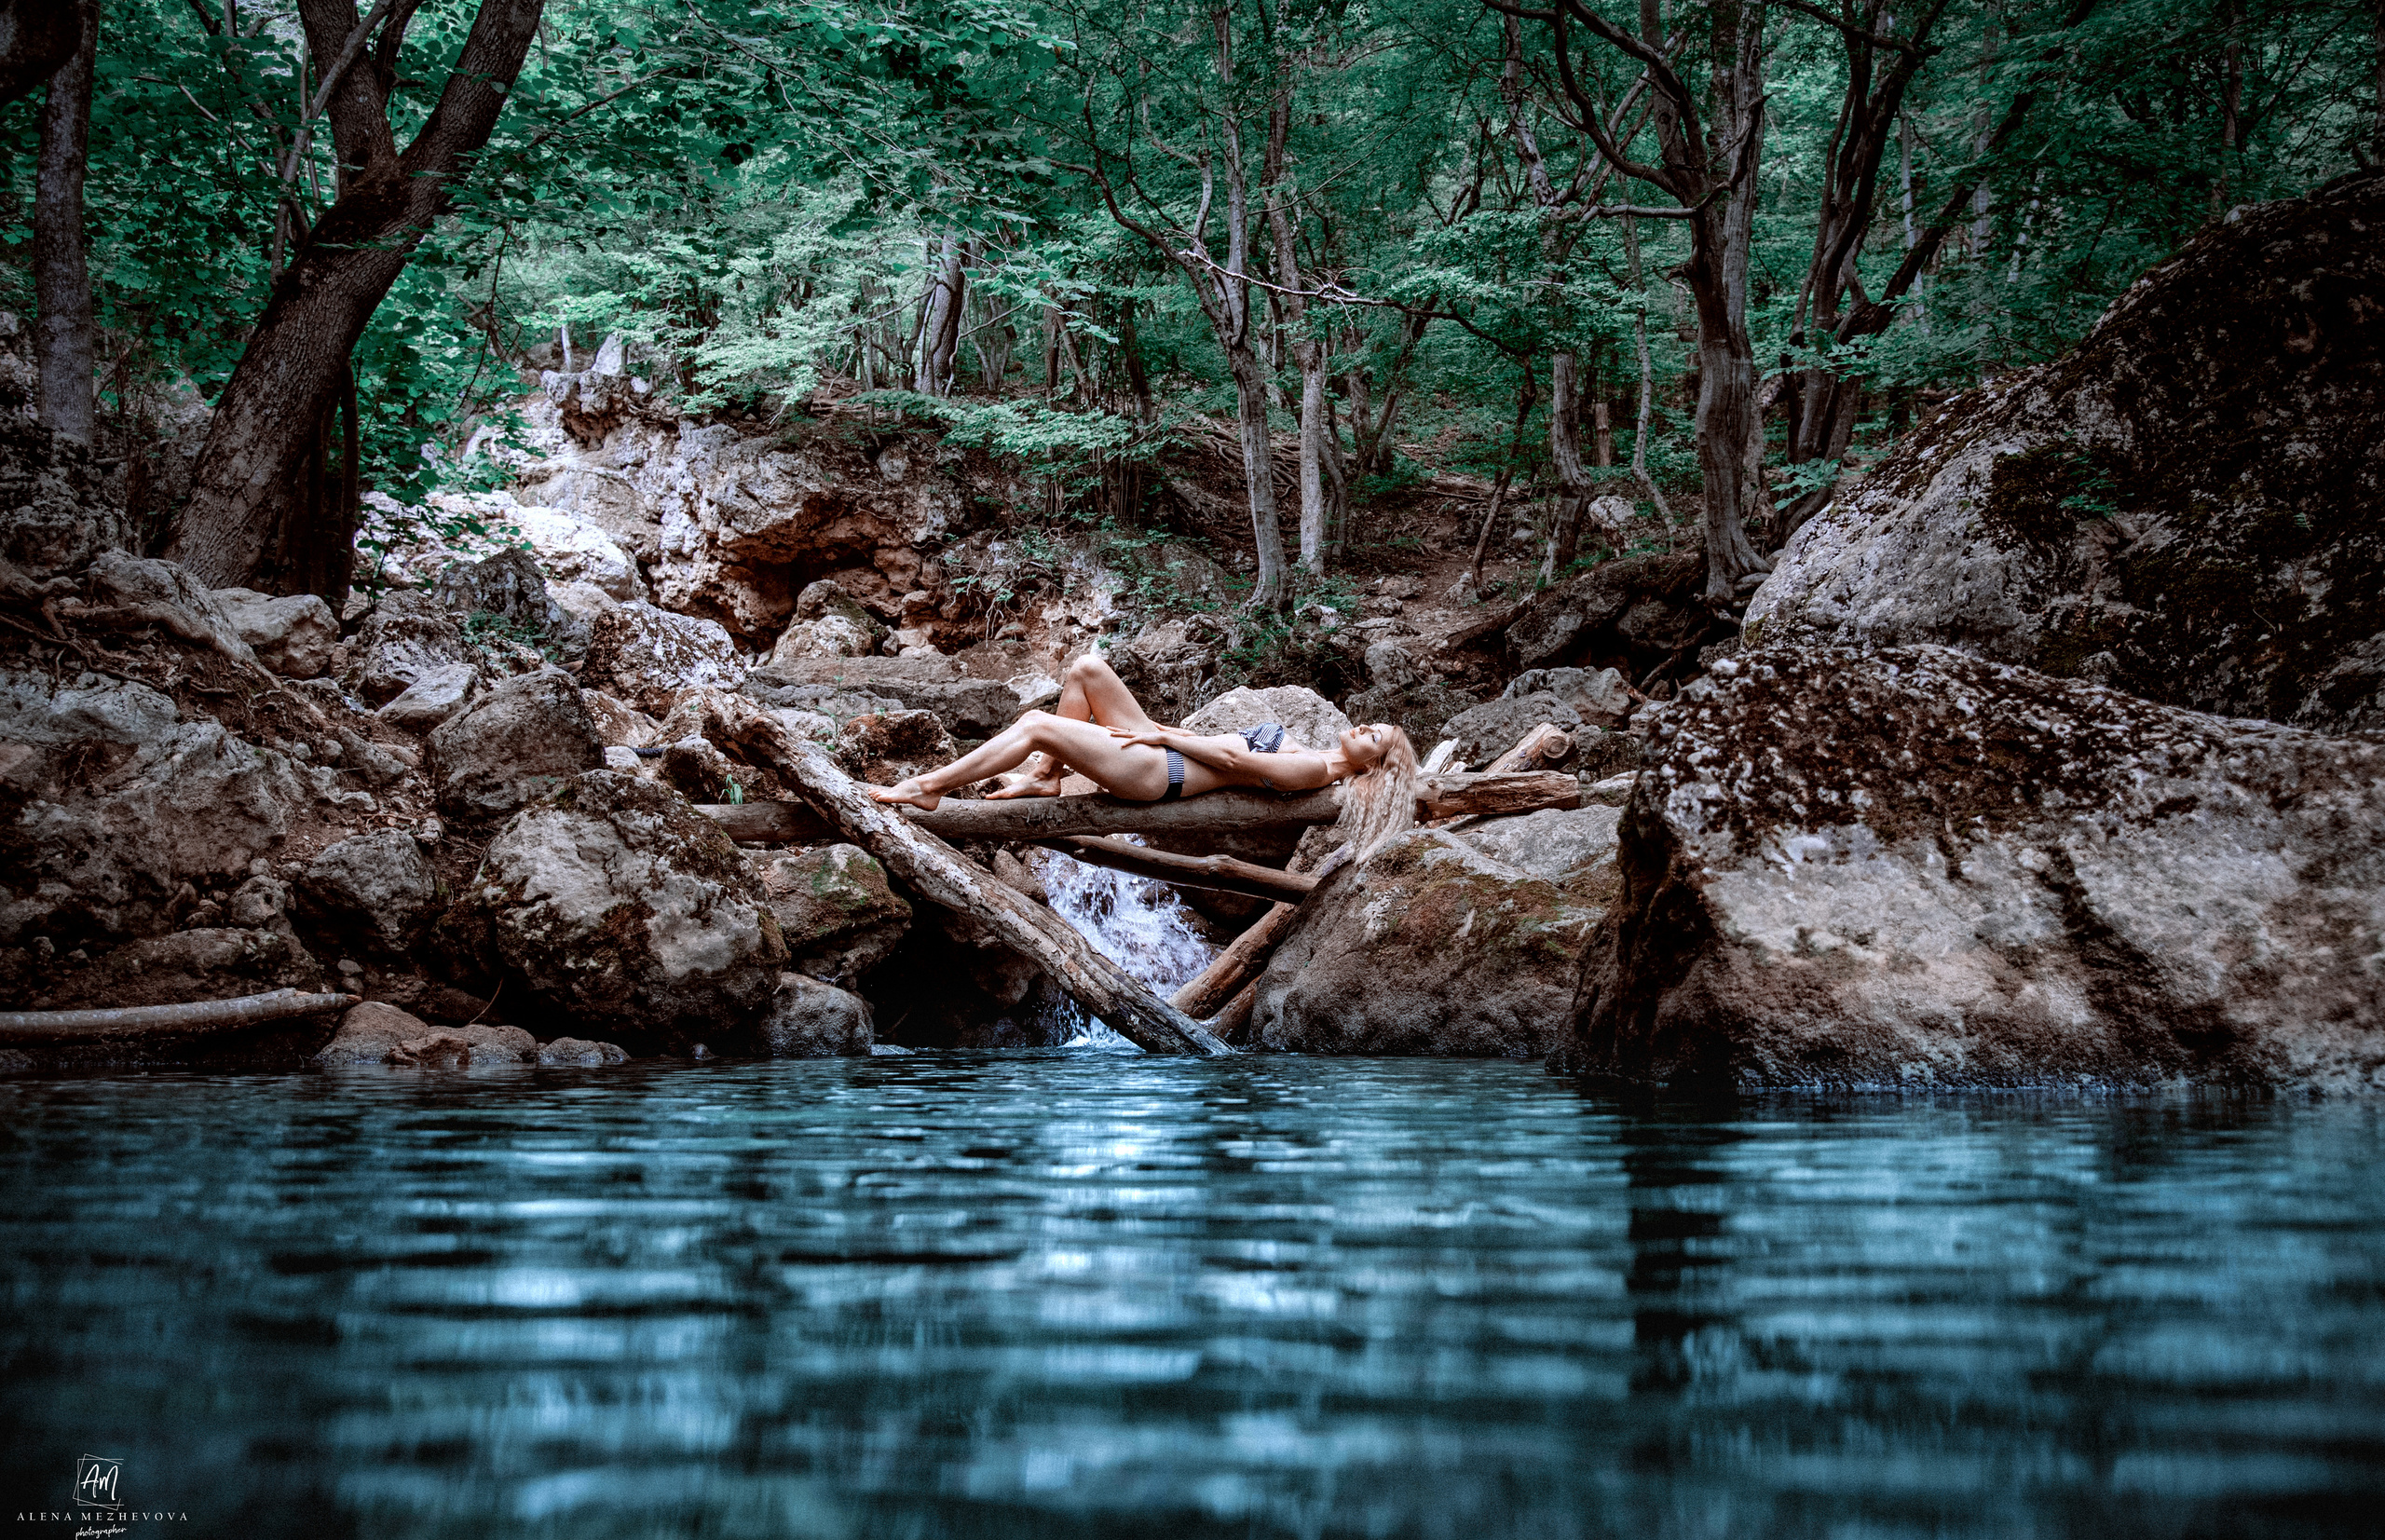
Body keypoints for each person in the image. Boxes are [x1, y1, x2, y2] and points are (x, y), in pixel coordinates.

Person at [869, 654, 1421, 857]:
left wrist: (1165, 738)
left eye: (1374, 738)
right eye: (1372, 725)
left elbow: (1234, 764)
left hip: (1159, 773)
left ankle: (928, 787)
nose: (1364, 727)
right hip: (1167, 753)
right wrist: (1163, 730)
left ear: (1372, 765)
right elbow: (1225, 750)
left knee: (1037, 724)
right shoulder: (1316, 752)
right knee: (1087, 669)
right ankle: (1045, 777)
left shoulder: (1314, 770)